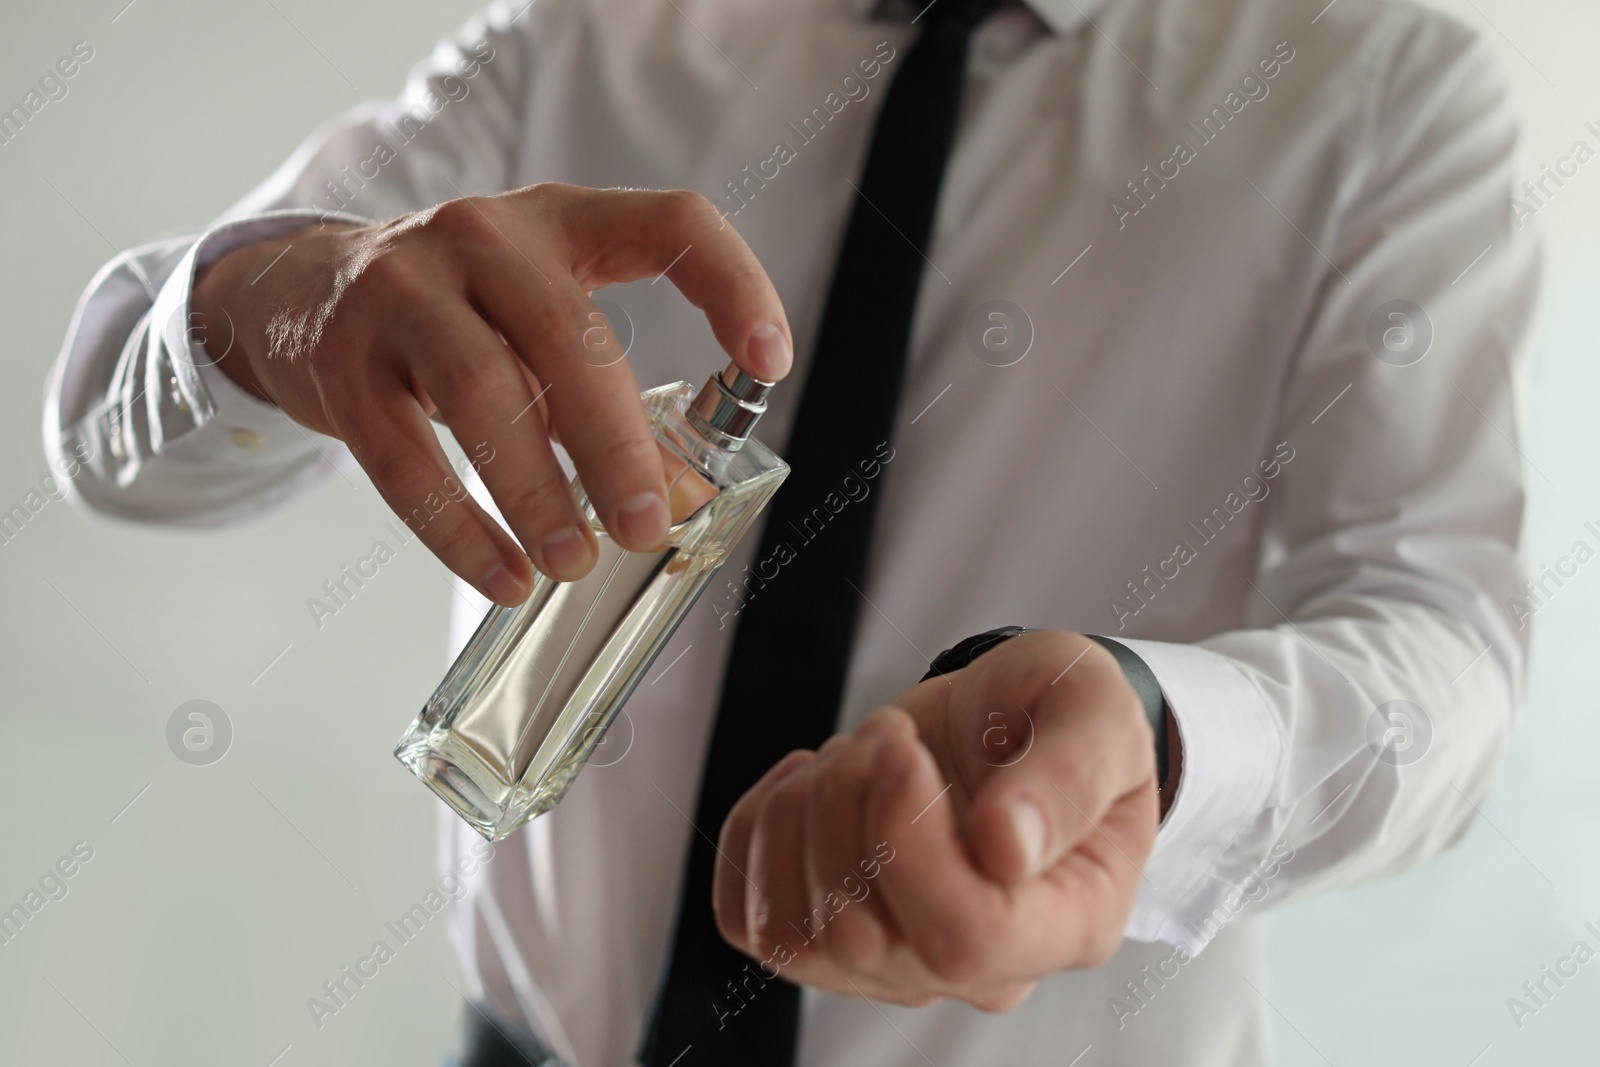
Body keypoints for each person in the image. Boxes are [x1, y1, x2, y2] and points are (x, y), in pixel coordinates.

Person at [43, 0, 1538, 1063]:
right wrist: (283, 297)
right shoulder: (588, 35)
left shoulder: (1381, 93)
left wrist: (1160, 738)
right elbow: (112, 433)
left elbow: (1443, 644)